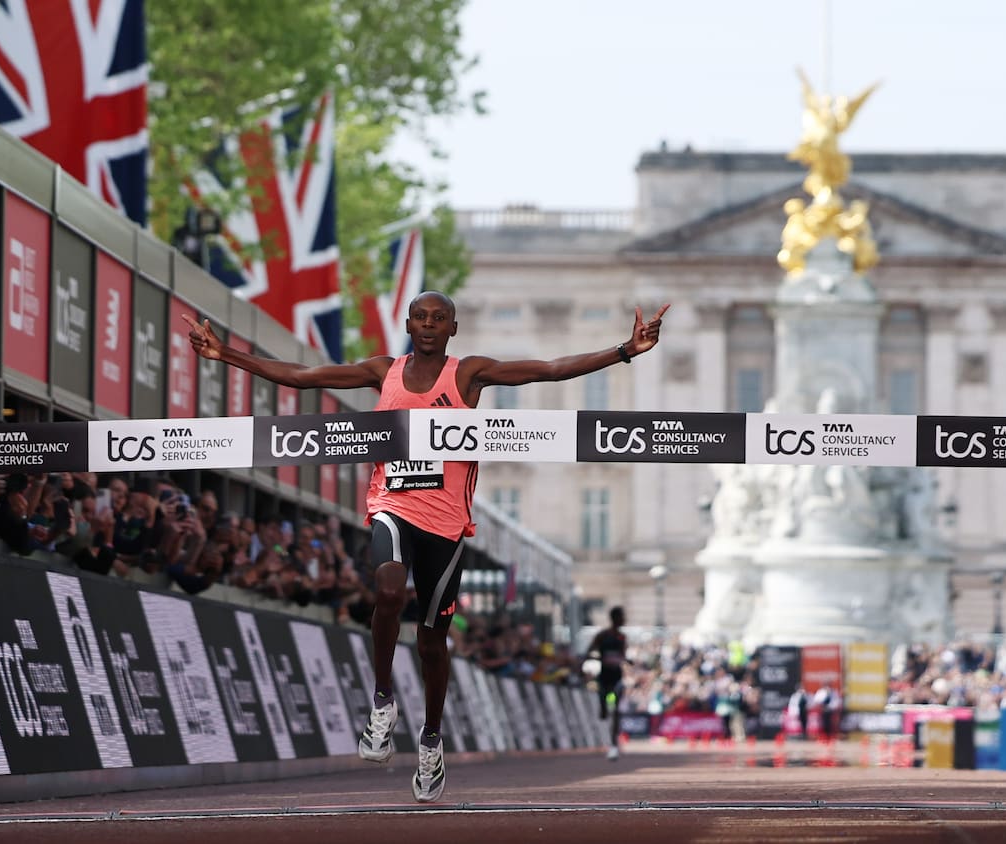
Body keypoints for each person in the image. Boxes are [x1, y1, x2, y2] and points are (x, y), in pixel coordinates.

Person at [185, 290, 668, 802]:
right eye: (420, 317)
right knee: (389, 591)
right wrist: (226, 355)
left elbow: (547, 369)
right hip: (391, 506)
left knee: (433, 641)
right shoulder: (383, 371)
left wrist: (623, 351)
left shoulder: (468, 374)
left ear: (453, 328)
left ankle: (431, 739)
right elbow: (307, 376)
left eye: (439, 318)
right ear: (409, 325)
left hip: (447, 525)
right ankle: (381, 703)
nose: (429, 324)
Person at [587, 605, 629, 760]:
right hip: (604, 677)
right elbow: (590, 650)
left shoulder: (622, 637)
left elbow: (623, 654)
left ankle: (613, 746)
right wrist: (598, 658)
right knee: (604, 712)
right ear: (615, 618)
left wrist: (624, 660)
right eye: (622, 616)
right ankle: (603, 708)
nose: (624, 619)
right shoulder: (602, 635)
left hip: (617, 677)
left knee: (616, 711)